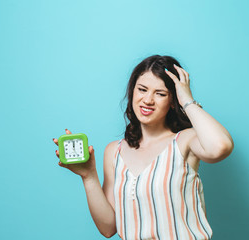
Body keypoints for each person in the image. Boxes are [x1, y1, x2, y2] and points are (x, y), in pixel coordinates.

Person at [53, 55, 234, 239]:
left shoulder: (185, 140)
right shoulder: (114, 151)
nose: (148, 100)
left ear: (173, 100)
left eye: (160, 93)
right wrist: (88, 176)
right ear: (132, 92)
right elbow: (108, 228)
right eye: (142, 89)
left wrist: (187, 100)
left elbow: (220, 147)